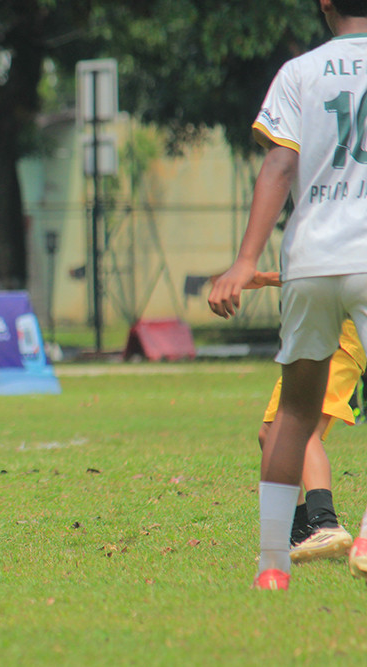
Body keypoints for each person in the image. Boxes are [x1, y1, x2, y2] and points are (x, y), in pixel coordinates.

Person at [208, 0, 367, 590]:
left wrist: (246, 260)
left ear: (326, 3)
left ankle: (272, 567)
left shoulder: (300, 71)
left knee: (292, 416)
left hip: (311, 260)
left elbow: (278, 167)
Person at [239, 271, 360, 562]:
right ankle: (302, 534)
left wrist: (258, 275)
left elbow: (325, 273)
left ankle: (325, 523)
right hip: (316, 337)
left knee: (299, 431)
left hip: (336, 340)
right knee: (270, 433)